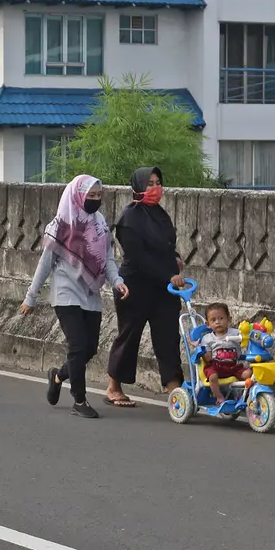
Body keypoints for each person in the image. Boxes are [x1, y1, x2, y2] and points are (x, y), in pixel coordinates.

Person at [20, 174, 128, 419]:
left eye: (99, 196)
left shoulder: (100, 223)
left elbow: (108, 259)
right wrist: (30, 297)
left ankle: (58, 376)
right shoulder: (61, 224)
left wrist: (118, 281)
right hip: (65, 293)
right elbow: (44, 264)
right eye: (91, 195)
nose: (95, 200)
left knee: (89, 348)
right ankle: (79, 400)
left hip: (91, 293)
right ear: (78, 196)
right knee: (78, 345)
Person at [105, 166, 188, 407]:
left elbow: (164, 245)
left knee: (167, 337)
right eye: (149, 184)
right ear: (138, 187)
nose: (154, 188)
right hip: (135, 286)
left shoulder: (161, 215)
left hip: (163, 288)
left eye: (157, 182)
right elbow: (139, 257)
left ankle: (174, 388)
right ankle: (113, 387)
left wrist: (175, 257)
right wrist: (168, 275)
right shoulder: (129, 219)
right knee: (129, 336)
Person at [191, 303, 251, 407]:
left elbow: (250, 335)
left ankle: (248, 398)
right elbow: (208, 359)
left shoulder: (236, 333)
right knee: (213, 376)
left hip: (233, 367)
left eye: (221, 318)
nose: (218, 322)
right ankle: (218, 397)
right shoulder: (207, 338)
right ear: (208, 324)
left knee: (250, 374)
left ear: (229, 319)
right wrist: (199, 348)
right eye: (213, 320)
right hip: (216, 366)